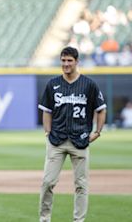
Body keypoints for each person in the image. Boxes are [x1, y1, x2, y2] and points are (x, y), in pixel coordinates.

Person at [38, 46, 107, 222]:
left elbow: (101, 109)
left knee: (81, 185)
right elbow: (46, 110)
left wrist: (97, 132)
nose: (66, 64)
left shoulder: (89, 84)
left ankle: (79, 220)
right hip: (56, 141)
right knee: (47, 182)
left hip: (80, 140)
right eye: (63, 60)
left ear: (77, 62)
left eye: (69, 60)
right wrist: (47, 132)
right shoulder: (53, 84)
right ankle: (44, 219)